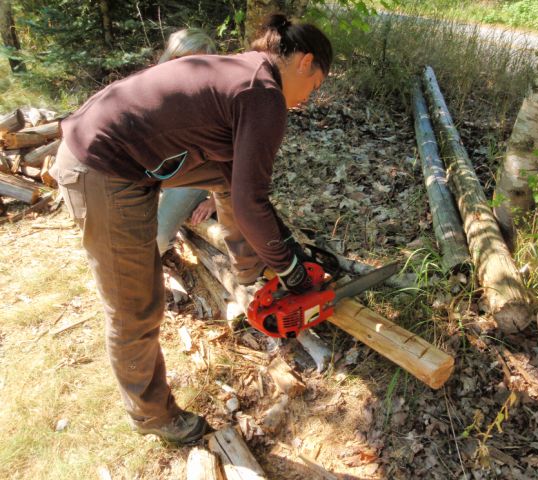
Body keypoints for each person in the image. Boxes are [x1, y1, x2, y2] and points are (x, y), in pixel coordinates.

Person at [52, 14, 333, 444]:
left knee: (224, 177)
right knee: (135, 305)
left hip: (121, 153)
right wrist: (293, 271)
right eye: (313, 86)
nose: (306, 100)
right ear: (304, 61)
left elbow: (240, 184)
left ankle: (250, 276)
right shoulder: (264, 93)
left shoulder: (242, 70)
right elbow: (250, 202)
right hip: (101, 167)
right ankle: (152, 415)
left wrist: (287, 249)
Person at [155, 28, 219, 256]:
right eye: (179, 59)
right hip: (158, 172)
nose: (184, 67)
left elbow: (233, 155)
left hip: (195, 176)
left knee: (155, 240)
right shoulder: (154, 86)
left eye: (197, 62)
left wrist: (215, 199)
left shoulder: (212, 95)